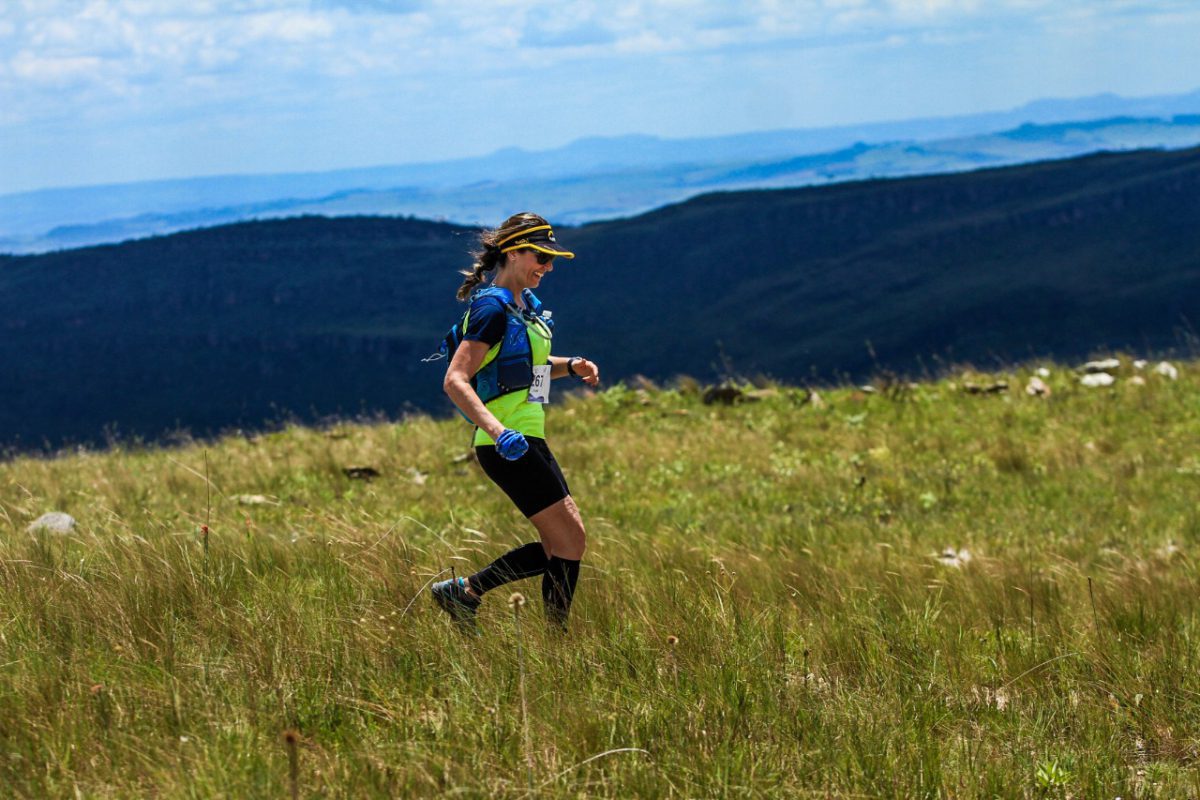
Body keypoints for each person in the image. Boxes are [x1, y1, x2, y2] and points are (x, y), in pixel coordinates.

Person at [431, 212, 600, 630]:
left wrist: (572, 365)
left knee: (562, 543)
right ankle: (554, 641)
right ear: (512, 252)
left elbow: (529, 368)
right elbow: (455, 380)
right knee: (570, 540)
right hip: (506, 443)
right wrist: (497, 431)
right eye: (540, 256)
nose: (548, 266)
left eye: (551, 258)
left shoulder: (525, 307)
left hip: (530, 438)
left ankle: (465, 592)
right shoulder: (491, 308)